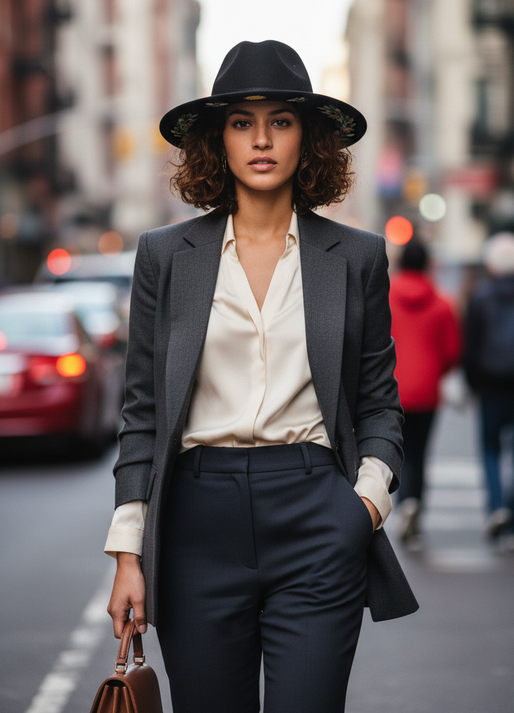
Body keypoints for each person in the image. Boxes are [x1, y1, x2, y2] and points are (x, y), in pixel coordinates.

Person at [105, 40, 418, 713]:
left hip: (315, 514)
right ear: (218, 139)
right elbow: (141, 413)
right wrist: (129, 553)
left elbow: (377, 403)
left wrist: (362, 505)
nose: (261, 139)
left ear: (308, 138)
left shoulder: (355, 256)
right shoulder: (166, 255)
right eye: (242, 122)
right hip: (194, 521)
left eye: (280, 120)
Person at [389, 240, 462, 547]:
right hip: (427, 392)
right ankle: (415, 507)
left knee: (398, 453)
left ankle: (404, 502)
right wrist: (435, 373)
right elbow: (453, 351)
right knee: (420, 453)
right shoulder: (443, 302)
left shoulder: (385, 296)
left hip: (391, 390)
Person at [464, 232, 514, 552]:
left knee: (490, 449)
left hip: (490, 386)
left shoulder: (480, 298)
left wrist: (472, 382)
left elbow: (470, 347)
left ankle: (497, 507)